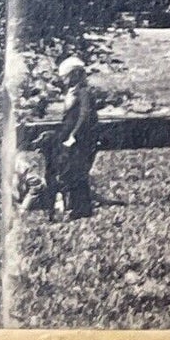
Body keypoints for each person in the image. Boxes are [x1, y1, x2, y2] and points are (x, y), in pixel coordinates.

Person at [43, 56, 99, 219]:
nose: (63, 80)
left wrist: (73, 135)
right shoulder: (72, 91)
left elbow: (85, 115)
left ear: (75, 74)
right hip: (71, 137)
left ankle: (82, 209)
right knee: (70, 171)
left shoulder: (84, 92)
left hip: (81, 138)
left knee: (78, 171)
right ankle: (76, 207)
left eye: (65, 76)